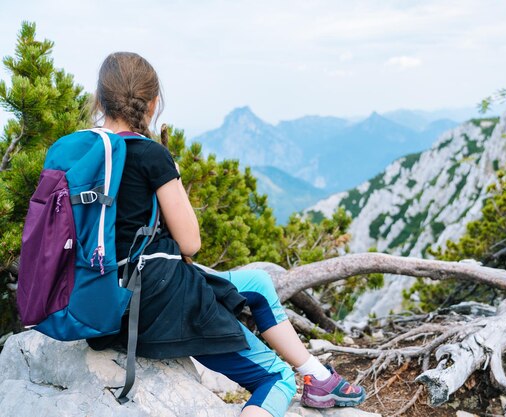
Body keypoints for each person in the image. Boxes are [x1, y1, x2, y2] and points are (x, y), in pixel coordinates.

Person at [85, 51, 366, 417]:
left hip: (101, 299)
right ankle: (300, 376)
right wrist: (173, 176)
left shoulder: (85, 151)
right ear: (152, 103)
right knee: (277, 378)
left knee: (260, 283)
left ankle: (316, 375)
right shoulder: (150, 155)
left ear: (100, 98)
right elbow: (190, 244)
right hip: (153, 305)